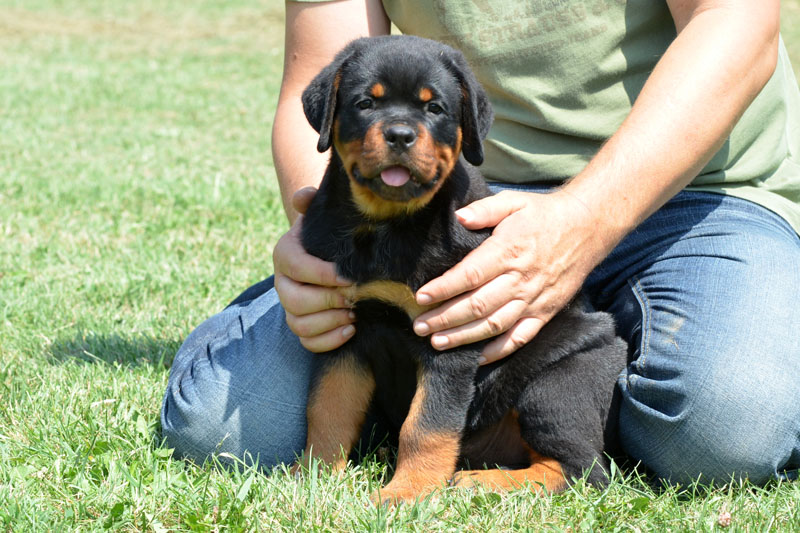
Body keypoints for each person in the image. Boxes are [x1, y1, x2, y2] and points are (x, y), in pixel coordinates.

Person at [161, 0, 800, 485]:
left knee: (724, 430)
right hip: (432, 209)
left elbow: (737, 21)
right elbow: (319, 69)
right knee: (217, 427)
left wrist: (579, 221)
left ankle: (586, 410)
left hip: (691, 191)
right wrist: (322, 242)